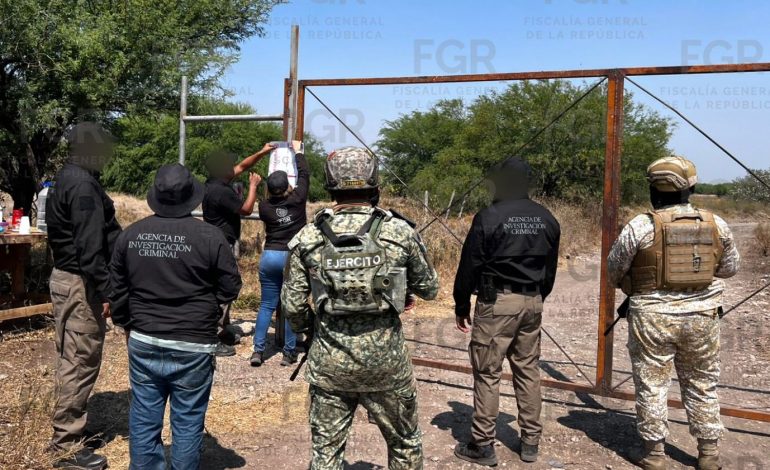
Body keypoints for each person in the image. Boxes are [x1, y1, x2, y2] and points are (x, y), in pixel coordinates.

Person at [281, 146, 439, 470]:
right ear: (374, 184)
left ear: (329, 184)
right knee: (404, 444)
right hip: (388, 365)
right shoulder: (399, 232)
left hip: (329, 364)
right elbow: (431, 289)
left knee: (326, 454)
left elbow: (293, 306)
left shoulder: (308, 237)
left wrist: (313, 330)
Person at [608, 156, 739, 470]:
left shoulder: (640, 225)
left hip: (651, 319)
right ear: (690, 188)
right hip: (703, 317)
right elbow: (730, 268)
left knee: (652, 383)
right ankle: (708, 454)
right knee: (702, 383)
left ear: (654, 188)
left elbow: (614, 271)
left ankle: (654, 454)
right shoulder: (715, 223)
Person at [109, 164, 242, 470]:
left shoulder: (131, 235)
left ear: (155, 196)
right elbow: (230, 286)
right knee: (187, 421)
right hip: (193, 344)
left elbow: (117, 289)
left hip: (143, 338)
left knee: (144, 417)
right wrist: (210, 315)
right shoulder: (211, 237)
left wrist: (126, 325)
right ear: (191, 198)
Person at [453, 158, 560, 466]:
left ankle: (483, 445)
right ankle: (530, 443)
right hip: (532, 302)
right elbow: (549, 271)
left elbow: (469, 265)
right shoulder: (547, 218)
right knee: (528, 370)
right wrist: (536, 299)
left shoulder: (488, 217)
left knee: (487, 372)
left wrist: (462, 303)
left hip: (497, 303)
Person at [46, 122, 122, 470]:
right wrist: (106, 290)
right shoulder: (82, 185)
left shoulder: (69, 177)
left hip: (68, 278)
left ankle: (69, 428)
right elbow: (90, 247)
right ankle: (67, 445)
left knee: (72, 356)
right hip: (80, 282)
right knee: (80, 359)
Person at [202, 142, 274, 356]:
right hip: (219, 244)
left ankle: (221, 328)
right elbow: (246, 209)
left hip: (218, 241)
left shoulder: (215, 181)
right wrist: (253, 187)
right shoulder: (221, 191)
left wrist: (262, 152)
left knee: (224, 285)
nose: (235, 166)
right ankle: (211, 337)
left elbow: (243, 166)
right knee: (225, 286)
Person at [251, 140, 308, 367]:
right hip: (291, 256)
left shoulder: (264, 207)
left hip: (270, 256)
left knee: (267, 304)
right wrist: (298, 151)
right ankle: (289, 352)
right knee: (290, 305)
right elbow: (304, 174)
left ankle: (258, 351)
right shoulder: (297, 200)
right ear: (288, 186)